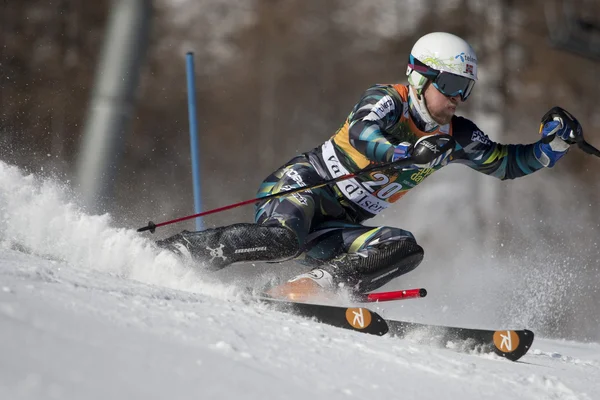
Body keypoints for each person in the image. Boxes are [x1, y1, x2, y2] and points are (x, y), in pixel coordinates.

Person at [156, 32, 582, 301]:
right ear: (420, 78)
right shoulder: (388, 99)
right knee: (284, 240)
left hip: (336, 225)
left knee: (404, 246)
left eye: (464, 90)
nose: (456, 99)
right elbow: (364, 135)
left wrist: (554, 145)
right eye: (450, 86)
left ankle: (313, 289)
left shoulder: (458, 136)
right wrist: (403, 154)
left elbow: (507, 164)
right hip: (305, 186)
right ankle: (177, 252)